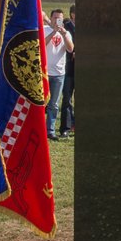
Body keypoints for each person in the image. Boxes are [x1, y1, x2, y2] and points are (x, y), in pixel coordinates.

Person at [44, 8, 73, 141]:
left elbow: (70, 49)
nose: (57, 20)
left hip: (59, 74)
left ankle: (50, 130)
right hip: (44, 73)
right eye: (55, 18)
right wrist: (53, 32)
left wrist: (64, 34)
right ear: (51, 19)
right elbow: (41, 45)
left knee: (54, 104)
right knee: (41, 103)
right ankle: (40, 128)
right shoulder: (45, 30)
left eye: (60, 18)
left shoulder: (66, 33)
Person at [61, 5, 77, 135]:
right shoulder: (66, 27)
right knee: (67, 98)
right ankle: (66, 127)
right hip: (68, 67)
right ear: (72, 14)